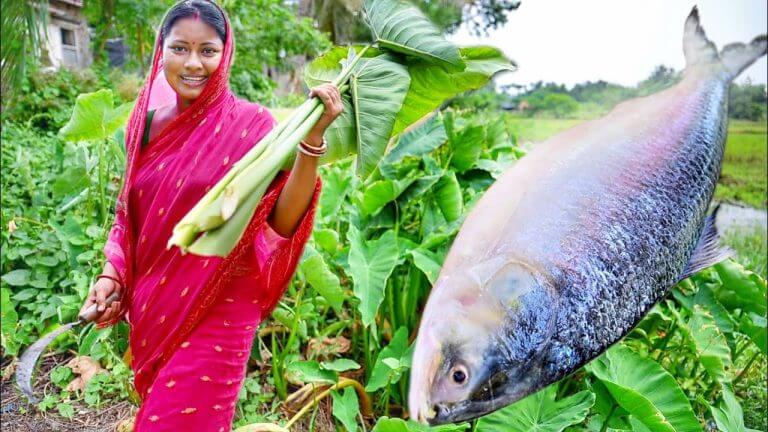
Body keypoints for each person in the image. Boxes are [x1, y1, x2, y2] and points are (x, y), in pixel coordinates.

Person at [76, 1, 342, 430]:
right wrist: (112, 276)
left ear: (226, 54)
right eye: (180, 48)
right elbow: (130, 216)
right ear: (161, 51)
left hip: (222, 303)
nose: (193, 63)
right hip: (157, 303)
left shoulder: (251, 124)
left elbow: (280, 222)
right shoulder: (141, 126)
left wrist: (312, 140)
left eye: (208, 51)